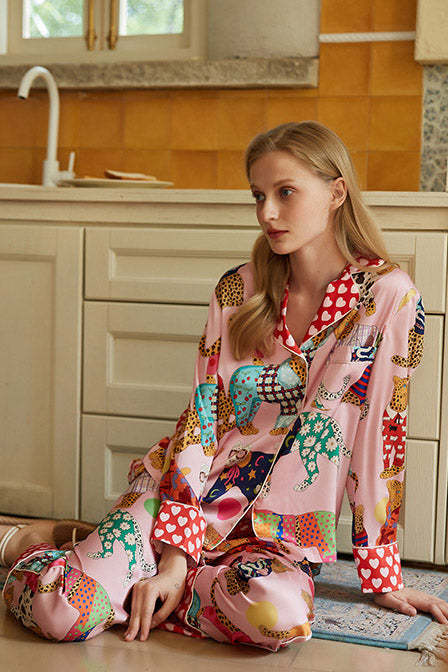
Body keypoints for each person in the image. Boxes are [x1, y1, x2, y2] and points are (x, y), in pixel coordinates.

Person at [2, 121, 448, 649]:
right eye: (259, 195)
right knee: (58, 612)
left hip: (278, 534)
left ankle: (130, 576)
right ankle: (37, 545)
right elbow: (201, 420)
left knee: (278, 618)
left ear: (336, 192)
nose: (267, 213)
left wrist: (382, 575)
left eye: (285, 193)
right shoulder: (239, 290)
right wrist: (175, 557)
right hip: (184, 500)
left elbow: (381, 438)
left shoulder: (388, 297)